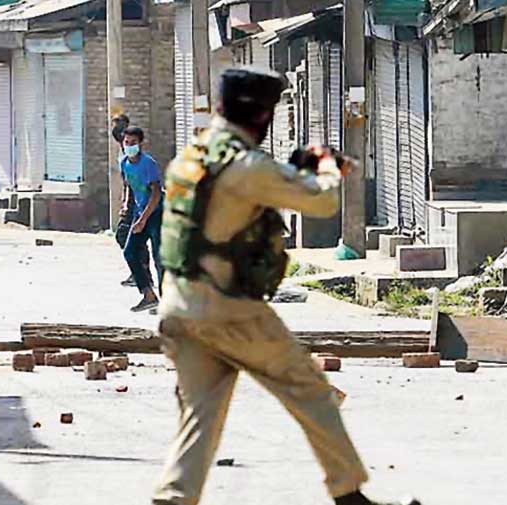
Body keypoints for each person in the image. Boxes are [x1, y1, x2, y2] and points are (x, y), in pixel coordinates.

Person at [152, 68, 419, 505]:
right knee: (310, 389)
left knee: (199, 413)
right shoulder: (245, 165)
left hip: (179, 305)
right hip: (227, 309)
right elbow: (321, 200)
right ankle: (348, 493)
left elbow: (229, 206)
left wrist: (291, 169)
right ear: (261, 116)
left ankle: (173, 498)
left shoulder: (192, 156)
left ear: (221, 108)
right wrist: (327, 166)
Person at [120, 126, 164, 312]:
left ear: (140, 144)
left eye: (133, 143)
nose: (129, 146)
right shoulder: (124, 163)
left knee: (159, 259)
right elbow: (129, 186)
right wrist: (125, 205)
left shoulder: (148, 164)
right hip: (140, 213)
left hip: (157, 214)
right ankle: (148, 294)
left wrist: (143, 219)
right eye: (126, 142)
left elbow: (156, 194)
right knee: (130, 252)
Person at [112, 114, 151, 288]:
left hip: (143, 204)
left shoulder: (143, 160)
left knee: (128, 235)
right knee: (127, 236)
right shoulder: (123, 155)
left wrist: (128, 204)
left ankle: (143, 275)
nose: (126, 145)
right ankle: (140, 273)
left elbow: (147, 186)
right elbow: (127, 182)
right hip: (134, 203)